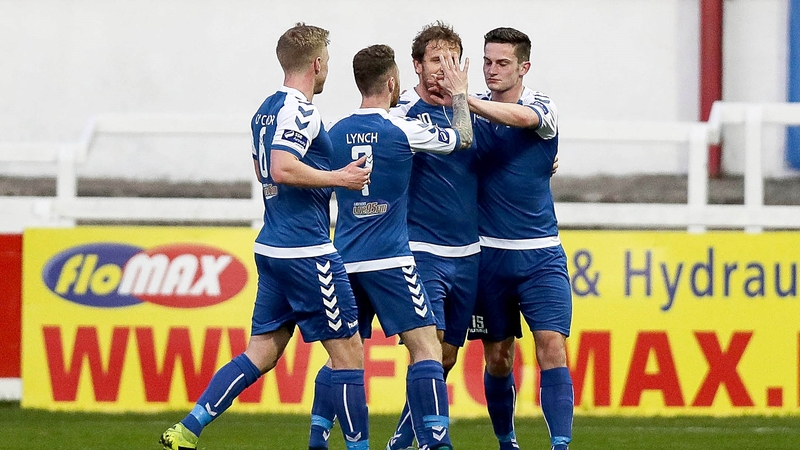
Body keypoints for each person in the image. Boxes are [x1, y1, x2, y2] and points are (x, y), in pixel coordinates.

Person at [159, 23, 372, 450]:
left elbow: (271, 167)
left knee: (262, 353)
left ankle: (187, 430)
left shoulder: (264, 110)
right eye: (327, 61)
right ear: (315, 64)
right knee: (349, 358)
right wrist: (340, 178)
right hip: (307, 251)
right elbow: (281, 166)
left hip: (273, 246)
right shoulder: (302, 111)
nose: (328, 67)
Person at [306, 43, 472, 450]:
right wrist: (462, 95)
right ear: (393, 81)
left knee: (342, 358)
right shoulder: (401, 128)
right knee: (427, 348)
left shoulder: (334, 132)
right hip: (392, 260)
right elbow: (463, 138)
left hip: (343, 259)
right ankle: (436, 442)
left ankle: (318, 439)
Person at [466, 27, 574, 450]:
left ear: (524, 67)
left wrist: (467, 100)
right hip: (488, 257)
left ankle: (560, 445)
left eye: (503, 63)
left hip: (540, 257)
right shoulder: (470, 112)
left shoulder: (539, 105)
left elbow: (525, 120)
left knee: (552, 347)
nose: (493, 70)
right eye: (488, 62)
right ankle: (506, 441)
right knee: (498, 357)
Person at [385, 21, 480, 450]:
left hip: (469, 252)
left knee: (447, 356)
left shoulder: (475, 112)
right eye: (436, 59)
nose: (445, 68)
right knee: (428, 346)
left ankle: (402, 441)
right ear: (417, 66)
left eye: (452, 59)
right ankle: (429, 441)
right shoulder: (403, 113)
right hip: (421, 249)